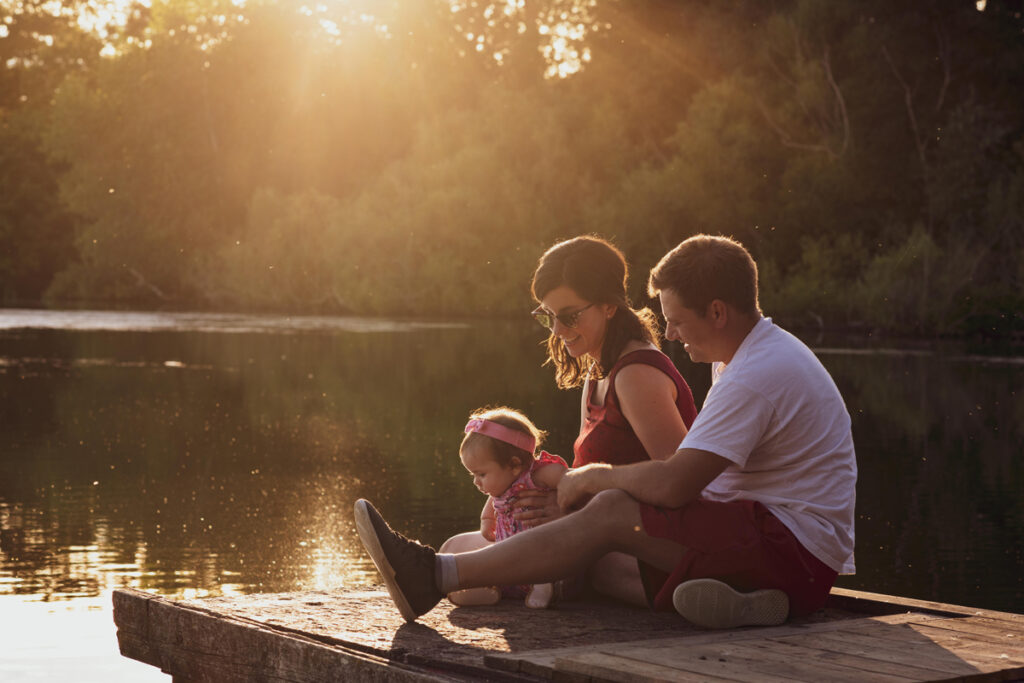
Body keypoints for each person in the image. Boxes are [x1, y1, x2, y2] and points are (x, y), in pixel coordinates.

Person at [355, 234, 856, 628]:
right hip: (767, 542)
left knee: (600, 527)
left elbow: (677, 482)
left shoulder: (754, 373)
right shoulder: (743, 359)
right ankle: (744, 601)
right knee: (580, 553)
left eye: (677, 322)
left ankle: (433, 575)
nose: (672, 336)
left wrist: (590, 483)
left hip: (792, 554)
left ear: (718, 312)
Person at [438, 235, 698, 605]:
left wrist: (573, 515)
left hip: (639, 549)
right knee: (455, 546)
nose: (557, 330)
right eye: (548, 316)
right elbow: (583, 472)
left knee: (468, 566)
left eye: (569, 315)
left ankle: (693, 592)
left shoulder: (637, 374)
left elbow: (681, 486)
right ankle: (430, 572)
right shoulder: (599, 370)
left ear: (609, 305)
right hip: (595, 536)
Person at [451, 407, 568, 609]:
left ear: (514, 465)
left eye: (481, 474)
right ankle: (490, 589)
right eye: (473, 475)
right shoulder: (501, 486)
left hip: (541, 556)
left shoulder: (536, 476)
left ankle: (545, 584)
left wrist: (565, 498)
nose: (476, 482)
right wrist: (487, 522)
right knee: (487, 563)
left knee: (542, 559)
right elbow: (490, 510)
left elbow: (572, 481)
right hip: (510, 560)